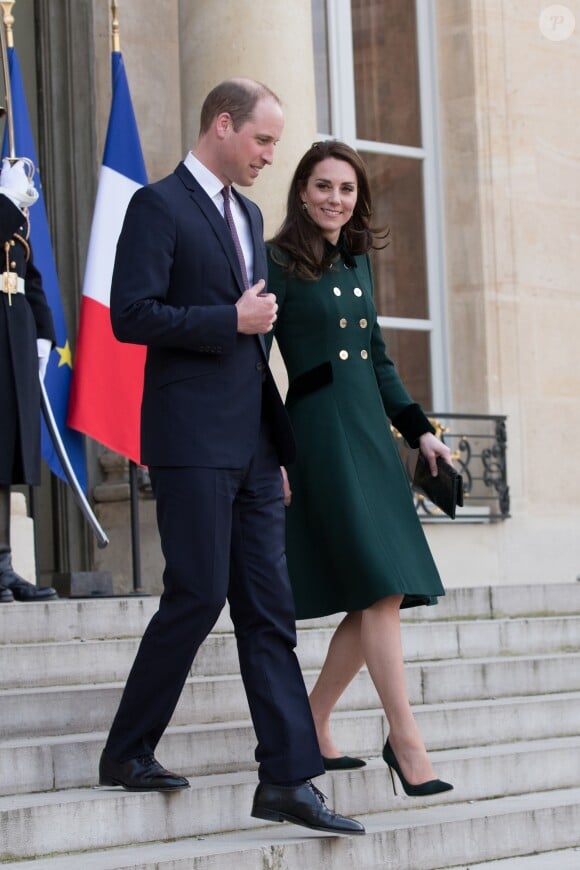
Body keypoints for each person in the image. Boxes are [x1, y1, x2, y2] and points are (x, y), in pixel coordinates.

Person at [100, 80, 364, 837]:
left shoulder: (248, 216)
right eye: (263, 140)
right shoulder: (158, 205)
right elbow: (131, 314)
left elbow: (255, 350)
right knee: (196, 594)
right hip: (187, 442)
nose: (270, 156)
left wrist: (272, 450)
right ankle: (127, 750)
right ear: (224, 125)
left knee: (268, 612)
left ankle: (286, 779)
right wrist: (231, 317)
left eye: (275, 143)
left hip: (250, 447)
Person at [266, 140, 453, 796]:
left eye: (345, 189)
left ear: (357, 198)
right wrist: (271, 451)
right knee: (378, 584)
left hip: (369, 437)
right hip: (318, 437)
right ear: (301, 190)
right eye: (323, 186)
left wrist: (420, 431)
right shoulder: (276, 261)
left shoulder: (354, 262)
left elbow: (376, 359)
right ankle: (405, 738)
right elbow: (253, 367)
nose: (334, 199)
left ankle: (314, 721)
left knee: (382, 588)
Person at [0, 156, 58, 603]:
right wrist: (5, 203)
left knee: (7, 453)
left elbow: (27, 271)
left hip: (12, 336)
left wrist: (43, 333)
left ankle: (3, 562)